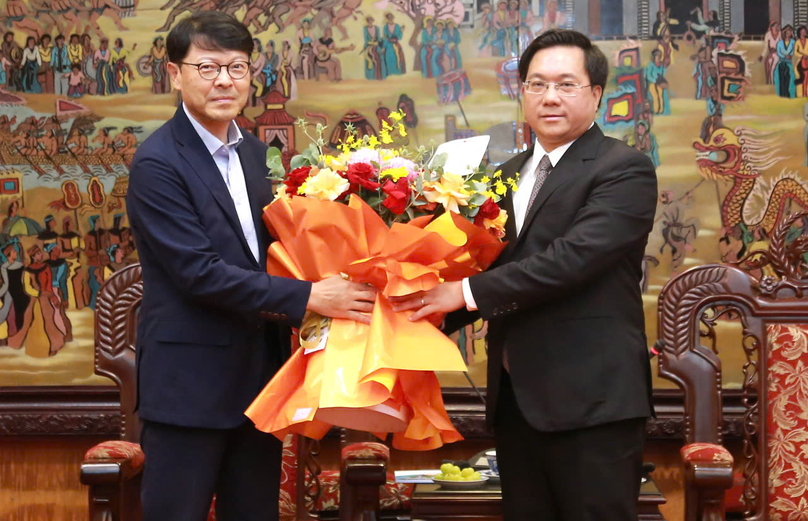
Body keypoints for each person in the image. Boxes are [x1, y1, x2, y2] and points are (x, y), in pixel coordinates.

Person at [393, 29, 657, 521]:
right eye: (536, 84)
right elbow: (477, 266)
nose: (549, 97)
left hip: (593, 402)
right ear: (522, 93)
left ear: (596, 93)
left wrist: (462, 292)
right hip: (516, 402)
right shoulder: (501, 177)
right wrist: (403, 313)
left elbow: (572, 260)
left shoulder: (624, 169)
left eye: (566, 84)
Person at [125, 12, 376, 521]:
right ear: (175, 74)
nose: (224, 81)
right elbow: (198, 272)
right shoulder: (158, 162)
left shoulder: (258, 155)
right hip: (188, 386)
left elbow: (280, 255)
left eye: (237, 68)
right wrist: (311, 298)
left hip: (259, 381)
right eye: (208, 67)